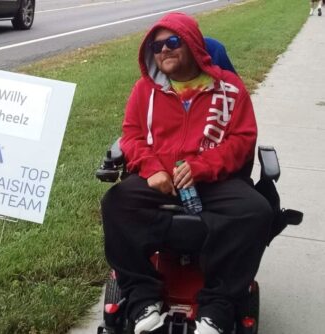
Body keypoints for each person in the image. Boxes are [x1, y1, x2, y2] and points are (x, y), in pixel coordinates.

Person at [101, 12, 272, 334]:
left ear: (193, 44)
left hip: (213, 179)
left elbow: (242, 139)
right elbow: (132, 136)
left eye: (173, 42)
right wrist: (151, 169)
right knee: (117, 203)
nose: (163, 50)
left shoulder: (229, 89)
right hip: (160, 179)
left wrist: (201, 167)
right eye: (156, 46)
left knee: (255, 211)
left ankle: (217, 309)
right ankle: (142, 300)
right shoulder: (144, 90)